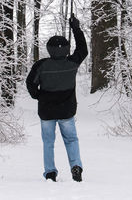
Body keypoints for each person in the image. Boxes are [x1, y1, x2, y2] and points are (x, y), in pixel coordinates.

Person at [26, 15, 88, 182]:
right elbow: (83, 49)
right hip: (67, 111)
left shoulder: (41, 65)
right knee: (71, 139)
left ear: (49, 49)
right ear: (67, 49)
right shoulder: (72, 63)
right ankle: (75, 167)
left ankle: (50, 172)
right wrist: (76, 28)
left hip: (46, 111)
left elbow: (30, 83)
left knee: (48, 143)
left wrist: (38, 96)